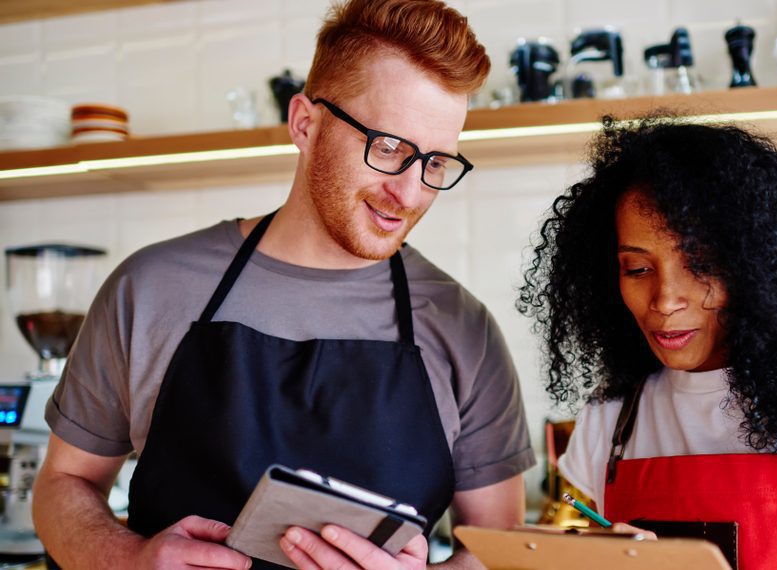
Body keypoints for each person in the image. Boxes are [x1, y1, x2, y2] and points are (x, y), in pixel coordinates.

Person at [32, 1, 535, 568]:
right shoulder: (149, 288)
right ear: (305, 122)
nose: (412, 193)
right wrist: (129, 560)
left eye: (437, 162)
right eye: (389, 147)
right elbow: (62, 484)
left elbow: (501, 549)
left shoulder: (464, 329)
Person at [517, 116, 777, 569]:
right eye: (638, 269)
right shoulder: (611, 418)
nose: (664, 300)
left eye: (700, 264)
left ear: (755, 268)